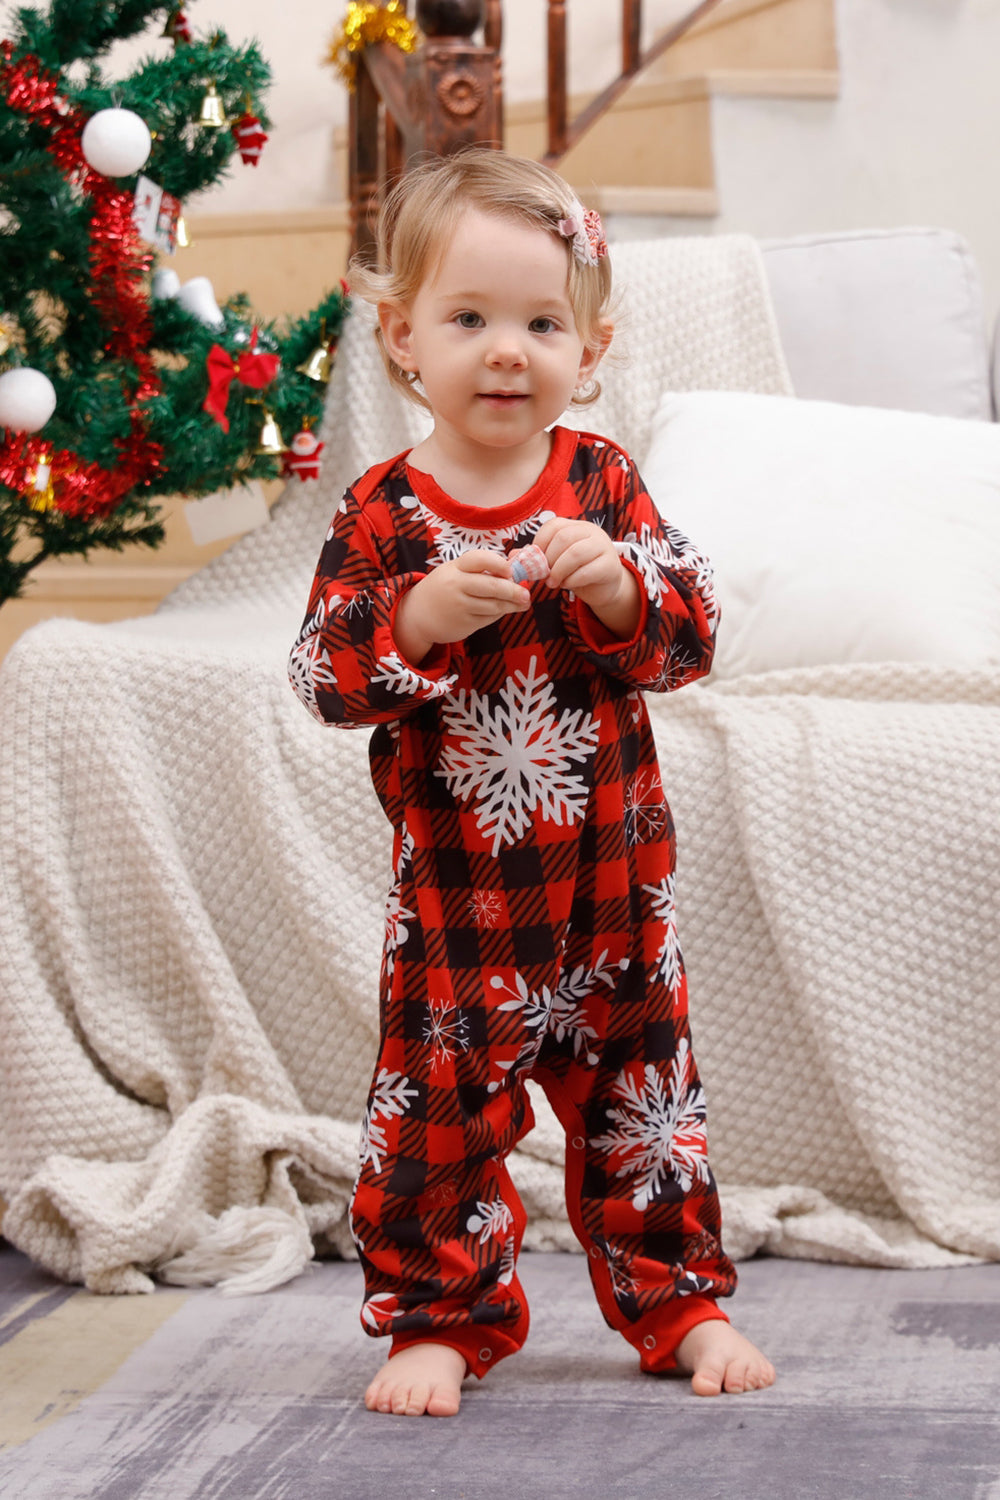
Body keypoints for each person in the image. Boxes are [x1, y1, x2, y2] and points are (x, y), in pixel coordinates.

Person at [288, 149, 775, 1418]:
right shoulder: (384, 514)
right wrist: (417, 619)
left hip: (617, 894)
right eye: (469, 320)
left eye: (541, 323)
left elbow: (697, 625)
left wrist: (621, 586)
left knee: (645, 1108)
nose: (508, 351)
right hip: (458, 910)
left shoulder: (603, 486)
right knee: (436, 1125)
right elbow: (323, 673)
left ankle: (679, 1304)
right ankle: (439, 1321)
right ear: (401, 337)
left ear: (592, 347)